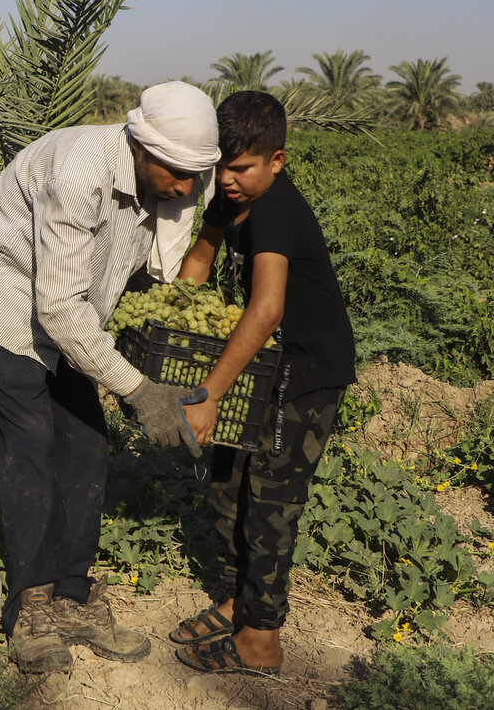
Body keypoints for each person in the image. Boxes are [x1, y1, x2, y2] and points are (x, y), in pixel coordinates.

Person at [0, 80, 220, 674]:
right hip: (4, 301)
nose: (186, 189)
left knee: (88, 445)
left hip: (74, 311)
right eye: (176, 173)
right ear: (141, 149)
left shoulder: (178, 177)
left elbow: (145, 277)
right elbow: (58, 311)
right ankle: (30, 608)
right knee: (33, 441)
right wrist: (139, 390)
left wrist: (136, 366)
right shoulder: (78, 172)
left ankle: (72, 597)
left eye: (197, 175)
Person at [170, 90, 356, 676]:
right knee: (226, 486)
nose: (227, 179)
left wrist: (210, 394)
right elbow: (198, 266)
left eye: (242, 167)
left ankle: (261, 639)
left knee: (270, 503)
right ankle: (235, 602)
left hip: (305, 375)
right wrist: (172, 321)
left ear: (276, 160)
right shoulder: (232, 202)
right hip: (261, 368)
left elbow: (268, 308)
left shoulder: (275, 207)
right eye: (219, 165)